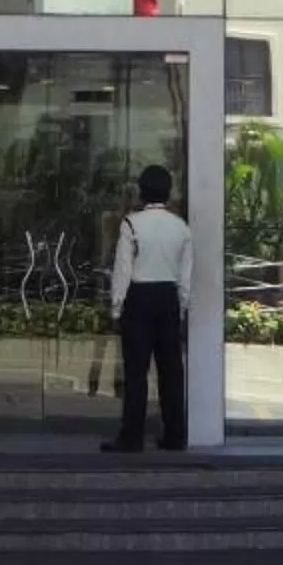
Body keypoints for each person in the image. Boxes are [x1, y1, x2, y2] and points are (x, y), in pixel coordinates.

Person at [105, 165, 192, 453]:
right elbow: (185, 278)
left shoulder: (131, 224)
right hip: (168, 298)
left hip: (139, 298)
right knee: (171, 371)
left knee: (136, 372)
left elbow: (122, 271)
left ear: (141, 192)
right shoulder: (181, 227)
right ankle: (175, 435)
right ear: (169, 192)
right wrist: (180, 308)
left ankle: (132, 437)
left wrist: (117, 308)